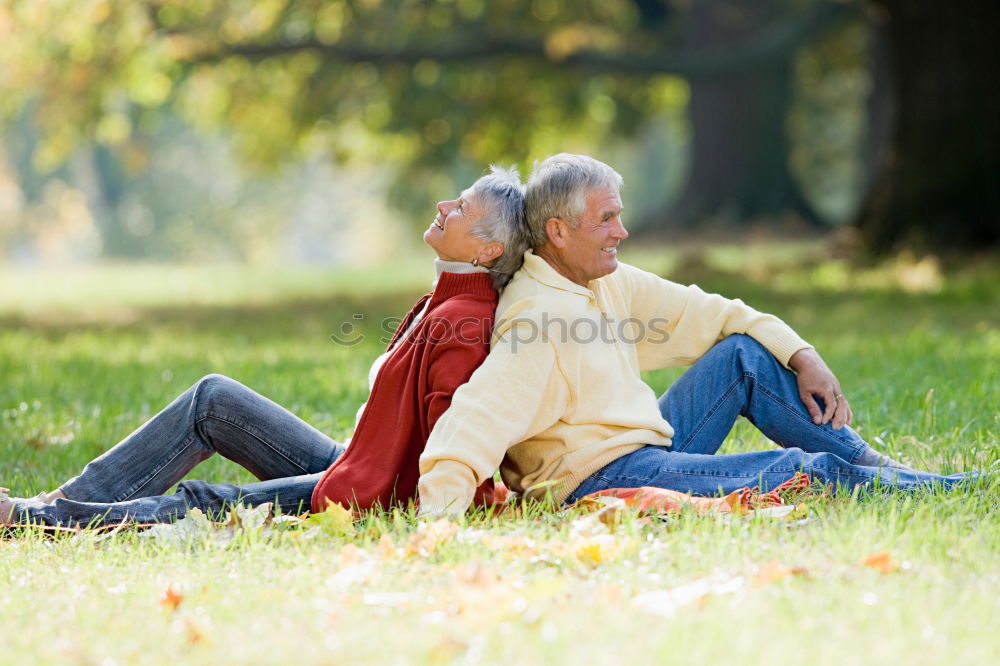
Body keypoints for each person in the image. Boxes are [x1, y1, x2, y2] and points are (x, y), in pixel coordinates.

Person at [415, 153, 974, 516]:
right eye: (606, 220)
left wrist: (803, 355)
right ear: (558, 232)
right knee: (804, 473)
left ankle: (886, 472)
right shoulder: (537, 317)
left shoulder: (602, 279)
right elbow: (477, 418)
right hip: (596, 480)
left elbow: (717, 313)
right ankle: (950, 491)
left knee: (744, 358)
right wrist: (438, 520)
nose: (623, 231)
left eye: (620, 215)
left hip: (648, 446)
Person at [1, 166, 531, 527]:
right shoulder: (444, 300)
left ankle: (39, 522)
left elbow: (456, 446)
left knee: (209, 503)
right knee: (213, 399)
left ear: (488, 249)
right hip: (357, 465)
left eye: (461, 207)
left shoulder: (464, 322)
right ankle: (69, 497)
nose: (444, 205)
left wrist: (466, 511)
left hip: (369, 497)